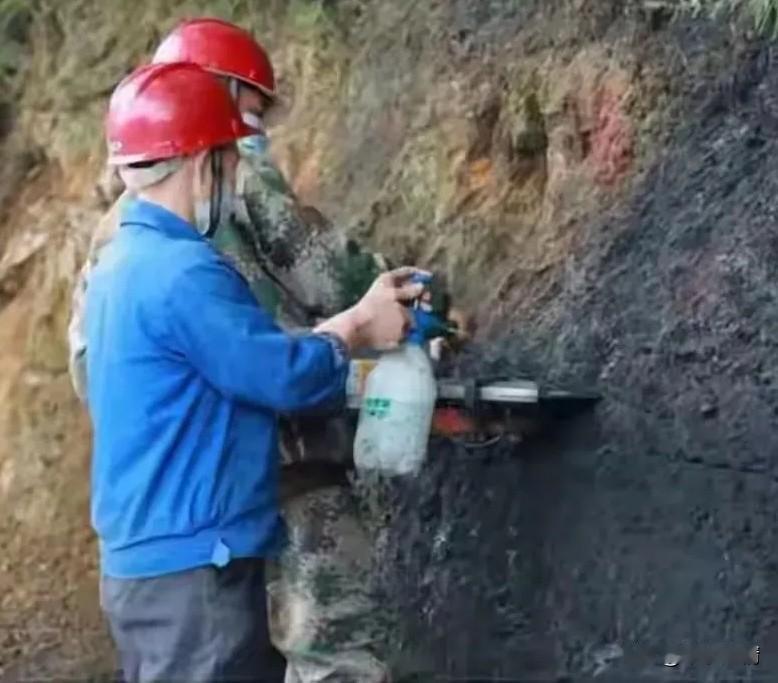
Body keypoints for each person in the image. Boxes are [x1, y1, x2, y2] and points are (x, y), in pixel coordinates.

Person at [87, 59, 425, 683]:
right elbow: (279, 375)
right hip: (195, 565)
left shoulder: (118, 266)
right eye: (230, 160)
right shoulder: (181, 272)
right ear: (200, 163)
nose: (237, 174)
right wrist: (358, 326)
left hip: (148, 562)